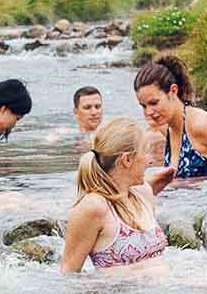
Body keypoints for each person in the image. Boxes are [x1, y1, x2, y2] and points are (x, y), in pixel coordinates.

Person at [62, 117, 177, 274]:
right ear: (127, 159)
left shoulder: (143, 194)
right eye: (145, 152)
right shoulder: (93, 207)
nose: (150, 160)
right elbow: (68, 275)